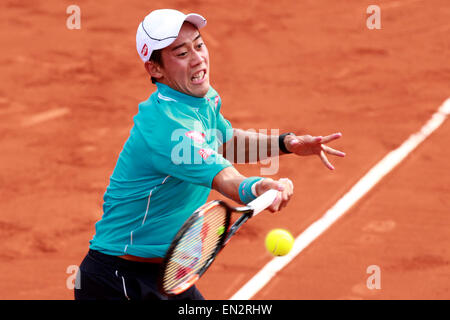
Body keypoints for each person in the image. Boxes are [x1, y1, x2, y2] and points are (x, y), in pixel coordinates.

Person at [74, 9, 345, 300]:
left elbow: (223, 143)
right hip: (118, 281)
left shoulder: (200, 98)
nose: (198, 57)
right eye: (181, 53)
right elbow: (227, 180)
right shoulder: (167, 127)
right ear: (155, 69)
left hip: (171, 273)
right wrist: (258, 187)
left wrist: (286, 144)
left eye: (199, 45)